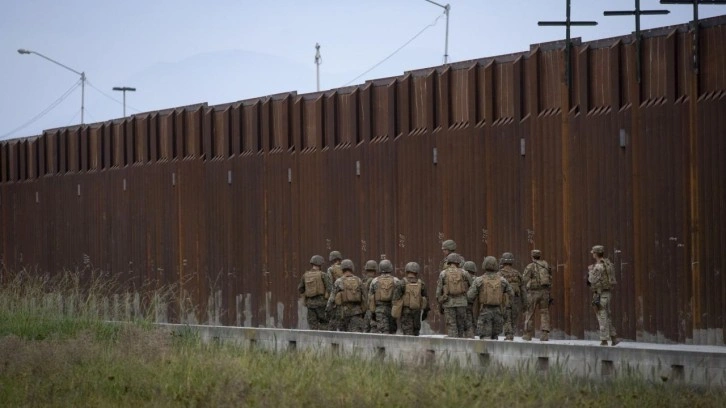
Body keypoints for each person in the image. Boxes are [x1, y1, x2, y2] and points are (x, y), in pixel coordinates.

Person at [468, 256, 513, 340]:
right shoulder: (502, 280)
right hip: (498, 312)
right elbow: (511, 294)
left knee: (485, 338)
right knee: (495, 338)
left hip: (485, 312)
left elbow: (470, 296)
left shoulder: (479, 280)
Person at [436, 253, 474, 338]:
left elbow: (438, 291)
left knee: (451, 326)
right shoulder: (464, 273)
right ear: (458, 262)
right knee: (460, 326)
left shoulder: (443, 273)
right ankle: (461, 347)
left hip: (448, 303)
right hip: (462, 303)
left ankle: (453, 348)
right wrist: (468, 299)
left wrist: (440, 302)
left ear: (448, 262)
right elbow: (472, 286)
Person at [588, 245, 619, 346]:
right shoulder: (608, 264)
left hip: (600, 294)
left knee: (602, 316)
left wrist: (590, 270)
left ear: (596, 254)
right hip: (607, 293)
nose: (592, 254)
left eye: (593, 253)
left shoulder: (598, 266)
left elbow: (592, 280)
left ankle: (604, 340)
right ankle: (614, 337)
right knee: (607, 316)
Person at [326, 259, 366, 332]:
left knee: (344, 337)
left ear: (342, 269)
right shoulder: (358, 280)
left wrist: (328, 311)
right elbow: (365, 297)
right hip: (356, 313)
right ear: (352, 268)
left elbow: (331, 299)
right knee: (356, 336)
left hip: (342, 314)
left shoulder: (338, 281)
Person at [522, 249, 552, 341]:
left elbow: (524, 279)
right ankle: (545, 334)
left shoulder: (530, 266)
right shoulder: (546, 265)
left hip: (533, 292)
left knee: (530, 313)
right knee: (544, 312)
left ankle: (528, 334)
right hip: (545, 292)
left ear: (532, 256)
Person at [392, 262, 429, 336]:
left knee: (407, 334)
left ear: (406, 271)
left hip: (406, 312)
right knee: (416, 332)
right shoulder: (421, 283)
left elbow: (395, 299)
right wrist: (425, 312)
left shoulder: (401, 283)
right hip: (417, 312)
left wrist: (395, 314)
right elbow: (426, 298)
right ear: (417, 272)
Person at [298, 255, 332, 330]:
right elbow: (330, 288)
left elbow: (300, 289)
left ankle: (315, 341)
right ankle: (324, 340)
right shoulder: (323, 275)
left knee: (313, 325)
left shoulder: (305, 275)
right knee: (325, 323)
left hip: (310, 305)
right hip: (322, 304)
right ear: (320, 264)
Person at [499, 252, 525, 340]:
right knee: (513, 317)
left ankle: (508, 334)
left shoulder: (500, 274)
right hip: (515, 299)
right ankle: (511, 334)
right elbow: (523, 289)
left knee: (507, 317)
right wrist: (525, 302)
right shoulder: (517, 273)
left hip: (505, 298)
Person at [368, 259, 399, 334]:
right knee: (392, 332)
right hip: (392, 310)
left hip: (379, 310)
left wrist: (372, 313)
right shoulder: (396, 281)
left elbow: (370, 298)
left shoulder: (375, 281)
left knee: (383, 332)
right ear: (390, 268)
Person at [326, 250, 344, 331]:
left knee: (333, 320)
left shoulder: (330, 269)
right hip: (346, 296)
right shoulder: (345, 267)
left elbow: (329, 285)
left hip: (335, 297)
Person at [361, 260, 378, 332]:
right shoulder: (374, 281)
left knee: (364, 331)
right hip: (373, 310)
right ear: (375, 270)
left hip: (363, 309)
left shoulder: (362, 280)